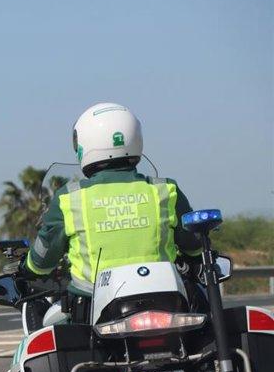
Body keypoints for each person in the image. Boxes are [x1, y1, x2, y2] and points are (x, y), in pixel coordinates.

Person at [20, 103, 202, 323]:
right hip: (166, 301)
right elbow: (193, 246)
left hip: (92, 307)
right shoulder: (166, 190)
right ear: (136, 139)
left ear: (83, 145)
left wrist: (28, 268)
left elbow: (42, 260)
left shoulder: (70, 198)